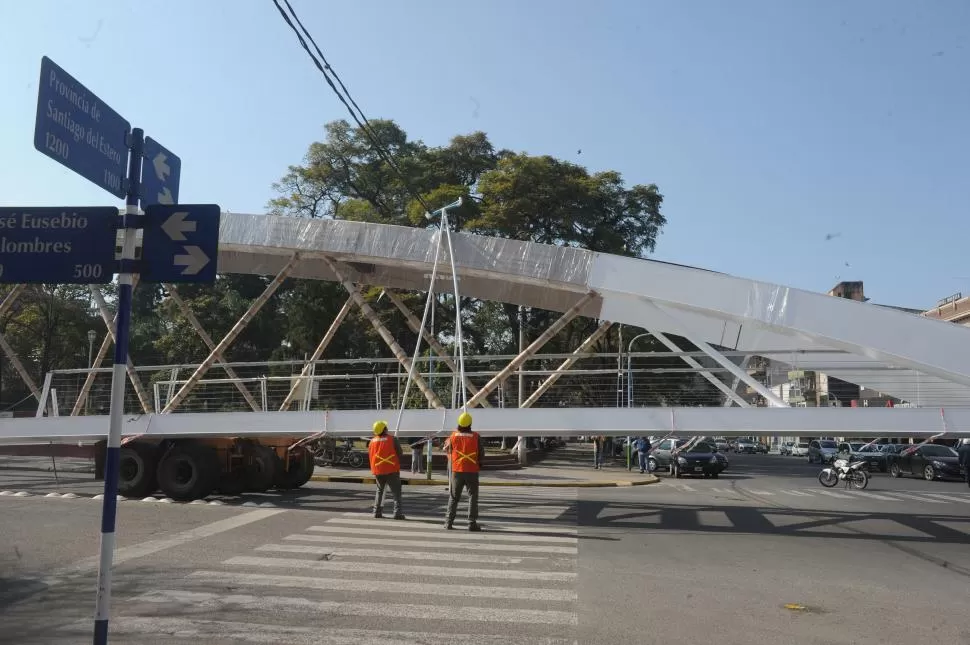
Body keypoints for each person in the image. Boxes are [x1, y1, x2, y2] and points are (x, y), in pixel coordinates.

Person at [444, 411, 485, 531]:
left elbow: (447, 450)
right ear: (470, 424)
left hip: (456, 470)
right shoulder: (476, 436)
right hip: (472, 470)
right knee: (472, 496)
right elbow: (481, 454)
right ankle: (471, 523)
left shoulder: (452, 436)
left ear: (459, 423)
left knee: (453, 497)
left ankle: (448, 522)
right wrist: (479, 464)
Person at [369, 420, 405, 520]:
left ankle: (377, 512)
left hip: (378, 470)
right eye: (386, 427)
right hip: (391, 470)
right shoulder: (393, 439)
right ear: (384, 429)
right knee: (396, 492)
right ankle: (397, 513)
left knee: (380, 491)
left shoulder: (372, 441)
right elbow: (400, 453)